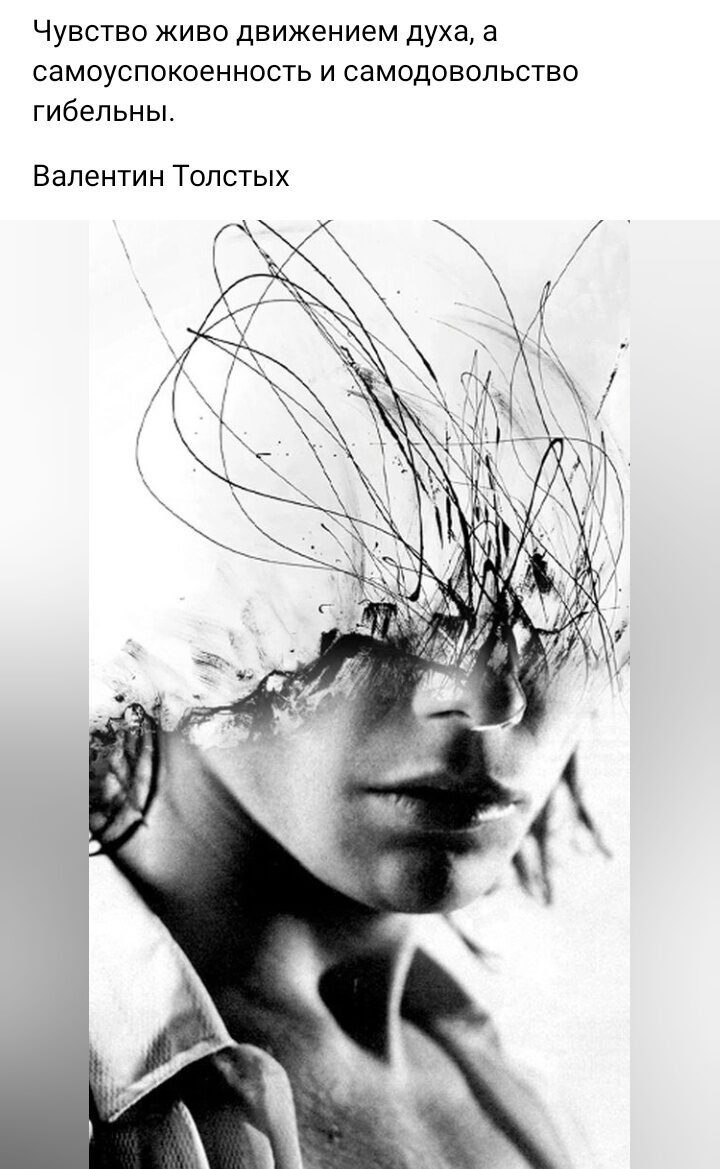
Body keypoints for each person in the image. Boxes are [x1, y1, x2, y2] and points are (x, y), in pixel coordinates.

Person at [90, 221, 628, 1168]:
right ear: (170, 574)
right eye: (380, 595)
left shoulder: (515, 1099)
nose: (490, 699)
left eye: (554, 593)